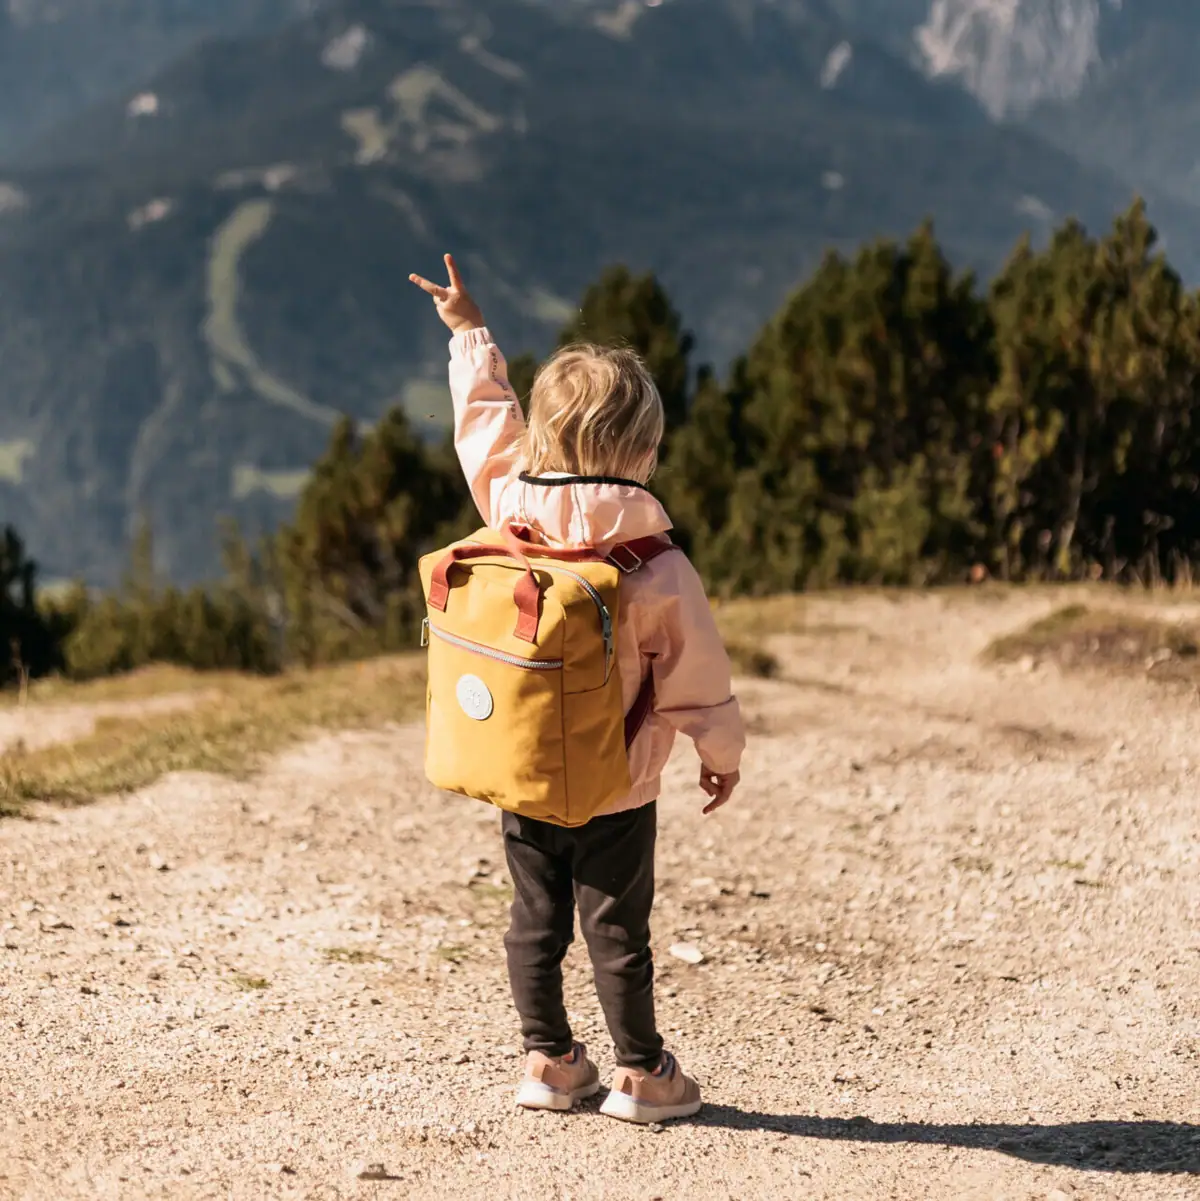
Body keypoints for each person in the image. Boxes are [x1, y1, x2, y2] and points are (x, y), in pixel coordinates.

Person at [409, 255, 746, 1124]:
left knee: (533, 919)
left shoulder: (507, 506)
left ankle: (550, 1062)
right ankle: (641, 1074)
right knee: (614, 929)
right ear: (644, 451)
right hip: (617, 783)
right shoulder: (654, 561)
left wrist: (468, 333)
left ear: (546, 441)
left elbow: (483, 429)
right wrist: (721, 756)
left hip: (518, 765)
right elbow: (696, 680)